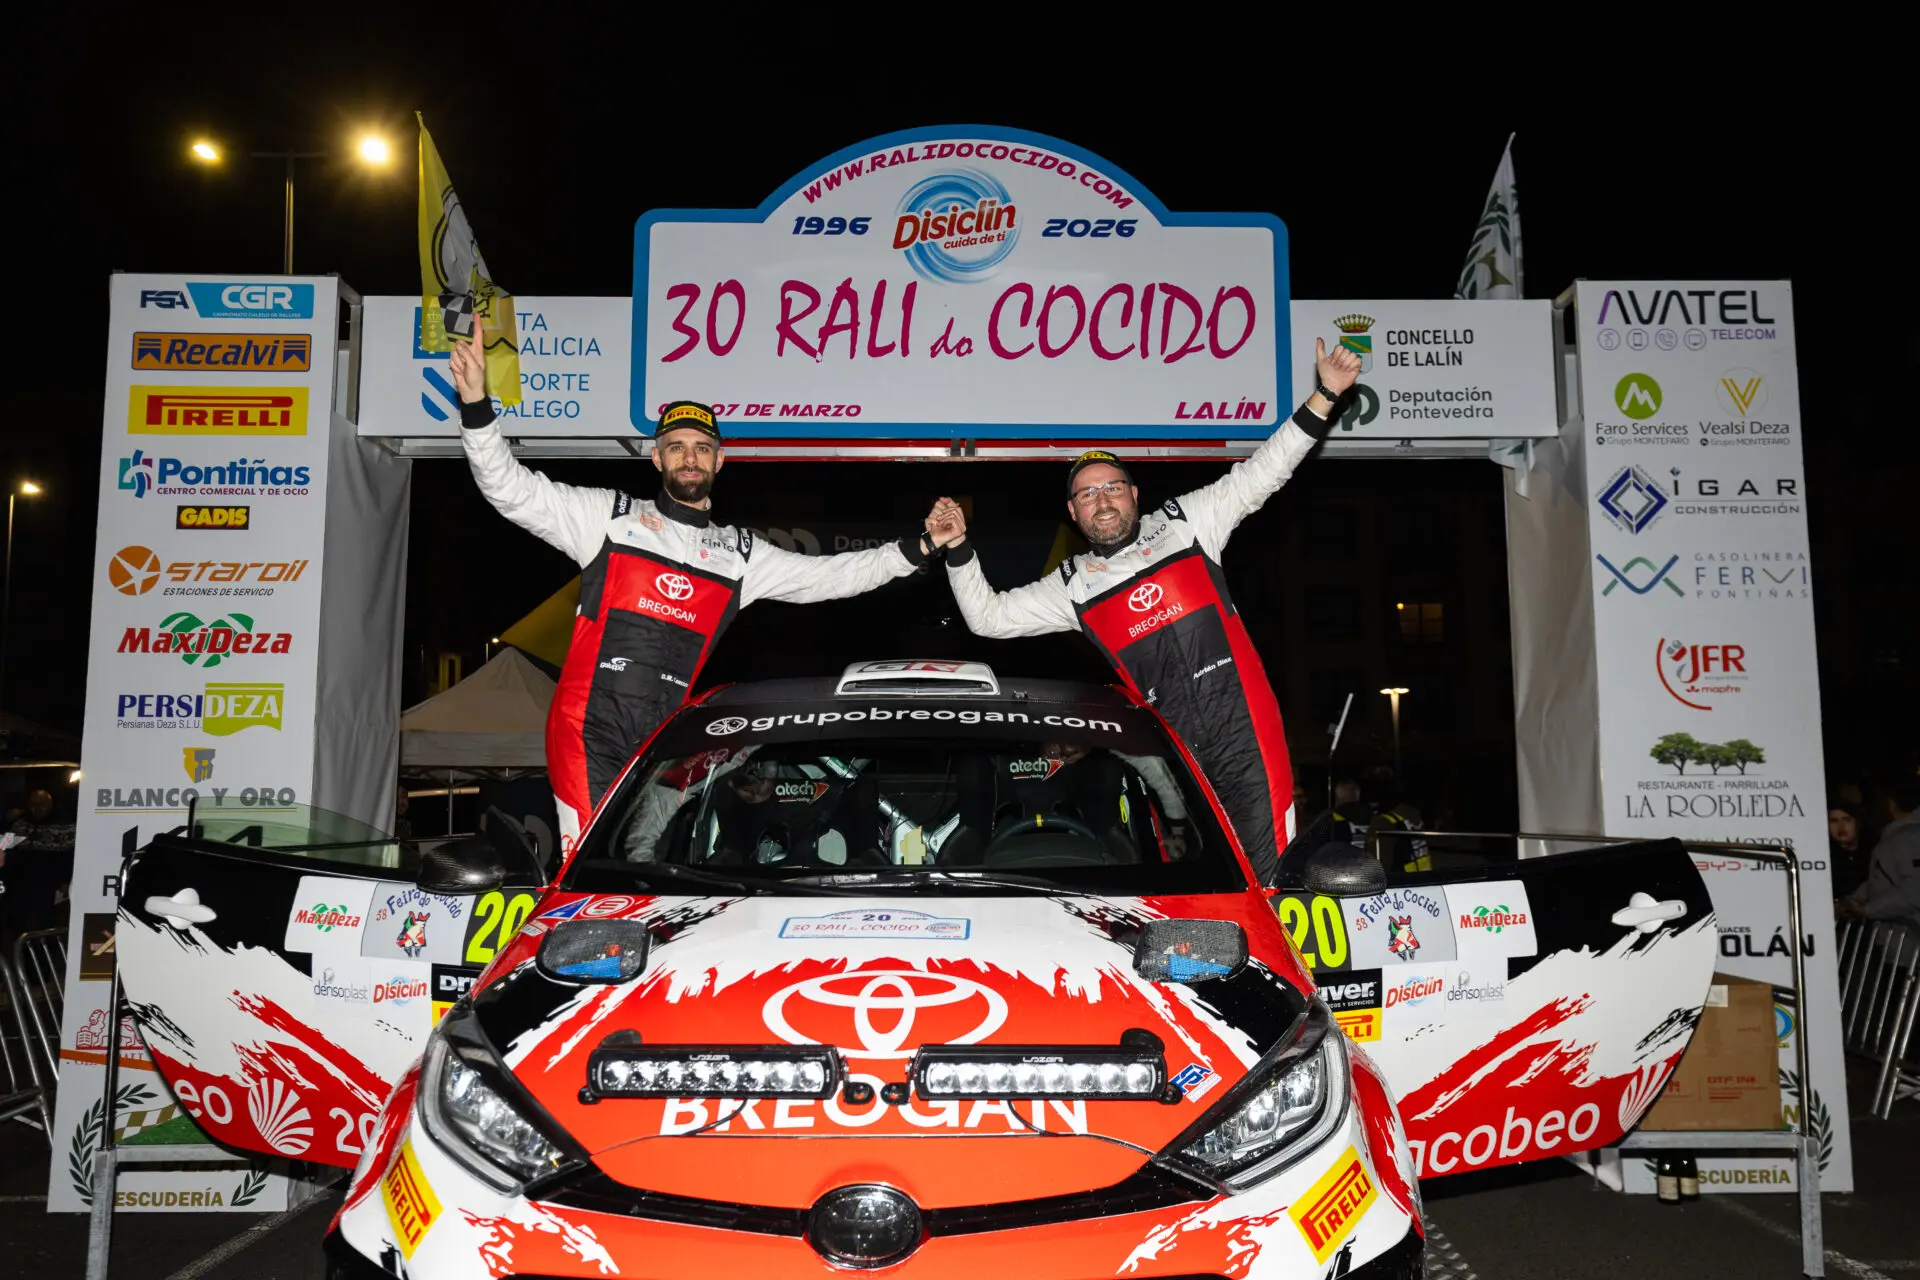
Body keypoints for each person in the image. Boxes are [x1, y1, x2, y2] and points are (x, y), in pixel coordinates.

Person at [449, 325, 944, 848]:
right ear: (657, 458)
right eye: (677, 447)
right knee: (592, 862)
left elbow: (834, 576)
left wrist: (917, 549)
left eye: (702, 448)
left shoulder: (741, 555)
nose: (690, 457)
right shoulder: (607, 518)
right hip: (588, 732)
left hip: (665, 743)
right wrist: (478, 405)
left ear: (719, 461)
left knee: (642, 867)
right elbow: (508, 488)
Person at [925, 338, 1361, 884]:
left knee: (1271, 875)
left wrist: (1325, 395)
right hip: (1176, 754)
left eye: (1112, 488)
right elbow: (986, 619)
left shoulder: (1188, 523)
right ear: (1072, 512)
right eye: (1087, 495)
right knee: (1203, 882)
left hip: (1245, 735)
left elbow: (1266, 471)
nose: (1102, 500)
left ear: (1135, 493)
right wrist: (958, 551)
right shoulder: (1072, 586)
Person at [1839, 776, 1920, 932]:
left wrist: (1868, 909)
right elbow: (1883, 878)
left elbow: (1915, 889)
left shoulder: (1909, 838)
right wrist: (1854, 901)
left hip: (1909, 942)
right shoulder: (1899, 836)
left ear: (1891, 804)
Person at [3, 789, 74, 941]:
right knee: (16, 925)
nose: (38, 808)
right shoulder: (21, 825)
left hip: (51, 887)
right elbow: (4, 847)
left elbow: (71, 857)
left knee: (46, 927)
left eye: (42, 804)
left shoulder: (65, 826)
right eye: (33, 804)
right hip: (21, 886)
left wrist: (67, 882)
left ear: (51, 804)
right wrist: (7, 821)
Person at [1828, 803, 1868, 897]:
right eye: (1834, 821)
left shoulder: (1875, 852)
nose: (1841, 827)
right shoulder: (1826, 856)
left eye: (1847, 820)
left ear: (1858, 823)